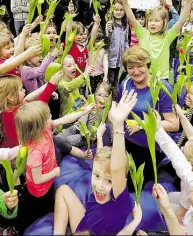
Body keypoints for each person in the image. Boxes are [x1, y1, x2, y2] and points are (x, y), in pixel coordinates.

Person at [53, 90, 136, 235]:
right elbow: (100, 160)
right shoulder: (101, 190)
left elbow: (116, 168)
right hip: (84, 225)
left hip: (90, 232)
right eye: (96, 176)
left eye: (109, 181)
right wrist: (98, 136)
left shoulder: (121, 200)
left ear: (120, 182)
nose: (99, 186)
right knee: (62, 190)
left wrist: (118, 126)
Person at [14, 101, 93, 231]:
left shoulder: (45, 130)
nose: (51, 118)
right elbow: (37, 178)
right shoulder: (36, 152)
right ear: (38, 126)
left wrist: (84, 112)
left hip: (48, 182)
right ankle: (18, 228)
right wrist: (54, 173)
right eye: (48, 117)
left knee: (48, 200)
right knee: (35, 210)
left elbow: (65, 119)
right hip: (38, 191)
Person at [117, 47, 179, 191]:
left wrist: (142, 124)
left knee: (134, 186)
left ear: (147, 65)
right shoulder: (126, 84)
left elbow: (174, 124)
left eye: (140, 66)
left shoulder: (161, 88)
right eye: (131, 67)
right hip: (127, 141)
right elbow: (120, 107)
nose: (136, 71)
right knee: (120, 179)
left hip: (151, 147)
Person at [121, 0, 193, 79]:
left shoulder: (167, 36)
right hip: (145, 76)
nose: (152, 23)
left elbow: (181, 20)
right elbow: (132, 18)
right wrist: (125, 2)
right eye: (150, 20)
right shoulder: (142, 33)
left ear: (164, 23)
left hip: (162, 78)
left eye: (156, 21)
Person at [56, 82, 112, 148]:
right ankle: (54, 141)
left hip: (86, 136)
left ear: (110, 98)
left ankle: (58, 144)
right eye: (99, 95)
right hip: (79, 127)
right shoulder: (91, 104)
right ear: (95, 95)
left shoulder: (107, 112)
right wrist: (83, 115)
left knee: (67, 140)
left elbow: (106, 128)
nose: (102, 98)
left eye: (106, 96)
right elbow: (83, 116)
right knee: (61, 135)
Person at [105, 0, 129, 86]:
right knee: (110, 79)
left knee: (117, 79)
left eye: (121, 10)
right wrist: (109, 31)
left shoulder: (125, 25)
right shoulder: (109, 24)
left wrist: (127, 52)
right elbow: (107, 41)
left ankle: (115, 94)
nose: (119, 12)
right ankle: (110, 95)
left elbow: (126, 40)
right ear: (112, 11)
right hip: (111, 58)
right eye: (116, 10)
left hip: (120, 59)